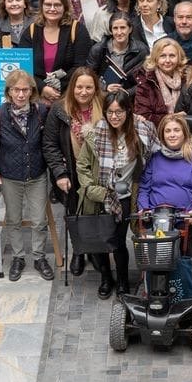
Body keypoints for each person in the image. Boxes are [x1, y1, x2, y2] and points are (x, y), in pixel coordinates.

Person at [77, 89, 152, 299]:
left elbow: (156, 150)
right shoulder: (96, 134)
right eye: (110, 112)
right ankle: (105, 278)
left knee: (119, 242)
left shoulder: (140, 132)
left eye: (119, 112)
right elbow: (82, 165)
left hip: (126, 196)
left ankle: (121, 281)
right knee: (99, 241)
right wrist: (91, 189)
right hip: (100, 195)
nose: (114, 117)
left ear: (128, 111)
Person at [137, 113, 192, 301]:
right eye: (168, 131)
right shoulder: (155, 156)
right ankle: (152, 289)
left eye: (176, 130)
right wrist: (144, 208)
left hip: (185, 216)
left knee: (177, 245)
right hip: (157, 215)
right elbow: (144, 188)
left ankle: (183, 295)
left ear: (184, 133)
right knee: (152, 242)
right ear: (162, 135)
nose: (172, 134)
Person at [0, 68, 50, 283]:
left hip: (36, 174)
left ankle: (39, 257)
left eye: (25, 90)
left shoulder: (41, 112)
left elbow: (48, 142)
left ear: (32, 91)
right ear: (9, 91)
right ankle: (18, 257)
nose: (21, 94)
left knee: (39, 220)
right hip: (10, 175)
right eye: (17, 90)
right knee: (13, 219)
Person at [41, 68, 101, 281]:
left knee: (96, 212)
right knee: (74, 212)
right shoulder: (59, 110)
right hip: (70, 171)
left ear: (95, 88)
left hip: (98, 173)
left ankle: (95, 250)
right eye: (79, 87)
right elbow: (49, 144)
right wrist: (59, 173)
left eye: (88, 87)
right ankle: (79, 250)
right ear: (72, 87)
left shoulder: (104, 108)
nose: (83, 92)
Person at [19, 0, 92, 101]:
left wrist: (59, 88)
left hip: (69, 96)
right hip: (37, 97)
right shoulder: (31, 32)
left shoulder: (78, 30)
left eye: (57, 5)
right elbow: (24, 67)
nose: (52, 9)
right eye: (48, 4)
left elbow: (80, 66)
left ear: (65, 7)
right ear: (41, 6)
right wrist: (42, 88)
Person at [87, 12, 148, 94]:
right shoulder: (98, 49)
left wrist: (127, 93)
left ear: (130, 29)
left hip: (131, 98)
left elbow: (146, 81)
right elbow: (88, 77)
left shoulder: (141, 50)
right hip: (103, 96)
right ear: (111, 30)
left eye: (123, 28)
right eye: (115, 28)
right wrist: (104, 87)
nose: (119, 32)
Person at [134, 37, 188, 130]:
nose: (167, 60)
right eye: (162, 56)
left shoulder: (188, 78)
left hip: (186, 131)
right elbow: (143, 115)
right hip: (157, 133)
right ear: (155, 58)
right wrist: (172, 118)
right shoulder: (146, 81)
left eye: (172, 56)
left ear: (179, 57)